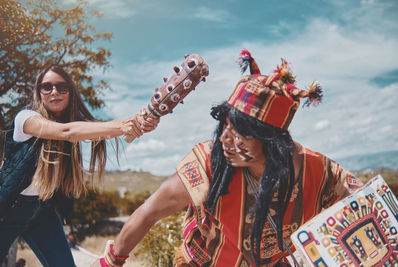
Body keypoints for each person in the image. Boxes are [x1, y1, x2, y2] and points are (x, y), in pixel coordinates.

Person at [91, 49, 362, 267]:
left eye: (240, 132)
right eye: (224, 126)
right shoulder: (208, 161)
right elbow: (149, 212)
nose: (224, 139)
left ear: (271, 139)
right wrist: (111, 262)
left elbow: (367, 206)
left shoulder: (317, 170)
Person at [0, 65, 159, 266]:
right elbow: (66, 131)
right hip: (8, 211)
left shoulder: (76, 124)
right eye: (46, 87)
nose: (54, 92)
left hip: (42, 210)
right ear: (39, 92)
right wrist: (122, 124)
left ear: (70, 92)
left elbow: (99, 130)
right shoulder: (26, 118)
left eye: (61, 87)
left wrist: (142, 121)